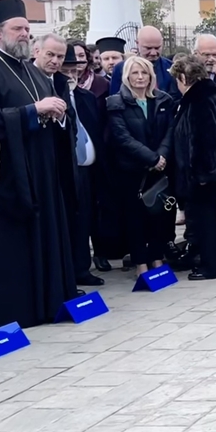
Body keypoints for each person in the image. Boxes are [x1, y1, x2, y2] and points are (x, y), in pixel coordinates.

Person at [0, 0, 77, 327]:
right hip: (12, 174)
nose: (25, 34)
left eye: (28, 29)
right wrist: (33, 112)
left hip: (43, 168)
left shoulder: (32, 69)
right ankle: (22, 309)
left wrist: (56, 112)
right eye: (18, 29)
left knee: (49, 232)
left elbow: (51, 111)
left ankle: (50, 301)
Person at [170, 53, 216, 281]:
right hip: (211, 174)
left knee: (208, 222)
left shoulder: (200, 100)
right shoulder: (207, 96)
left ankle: (212, 266)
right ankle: (210, 263)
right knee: (208, 221)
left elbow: (205, 139)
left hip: (206, 176)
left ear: (184, 77)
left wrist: (203, 174)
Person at [106, 55, 175, 276]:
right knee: (135, 218)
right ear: (126, 76)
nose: (139, 77)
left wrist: (161, 156)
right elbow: (122, 137)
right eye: (135, 72)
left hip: (160, 170)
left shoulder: (163, 100)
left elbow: (170, 132)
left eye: (144, 72)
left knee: (159, 216)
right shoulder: (115, 103)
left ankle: (156, 257)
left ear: (151, 76)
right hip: (132, 171)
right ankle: (140, 263)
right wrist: (151, 158)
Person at [60, 42, 108, 288]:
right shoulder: (54, 96)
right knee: (68, 219)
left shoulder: (86, 97)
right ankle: (68, 270)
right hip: (65, 169)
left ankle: (82, 267)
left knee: (86, 218)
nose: (72, 74)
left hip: (88, 169)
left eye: (75, 68)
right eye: (66, 69)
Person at [90, 36, 132, 271]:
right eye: (106, 58)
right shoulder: (97, 85)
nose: (110, 62)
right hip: (103, 151)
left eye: (115, 57)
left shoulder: (122, 82)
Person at [109, 26, 176, 100]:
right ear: (137, 43)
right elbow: (115, 100)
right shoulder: (121, 68)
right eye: (148, 48)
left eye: (157, 48)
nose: (153, 53)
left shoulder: (171, 67)